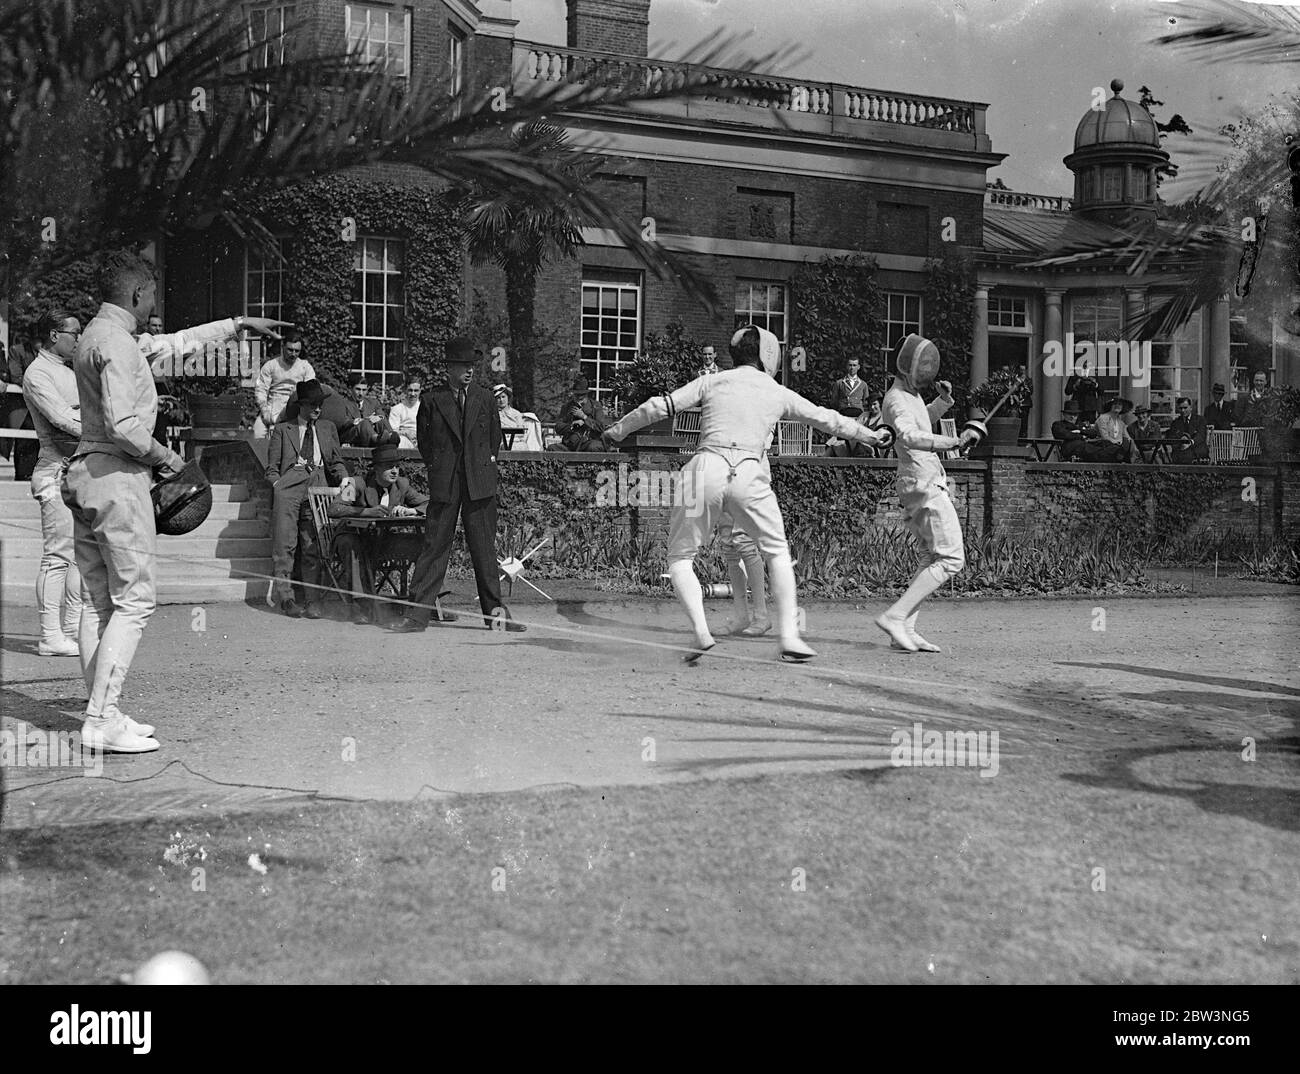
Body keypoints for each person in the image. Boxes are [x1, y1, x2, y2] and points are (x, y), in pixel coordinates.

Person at [62, 252, 284, 752]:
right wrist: (170, 460)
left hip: (86, 474)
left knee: (102, 603)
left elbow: (173, 344)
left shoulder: (98, 336)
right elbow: (123, 426)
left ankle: (104, 710)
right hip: (117, 477)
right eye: (153, 296)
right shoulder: (117, 343)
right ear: (138, 294)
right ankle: (100, 718)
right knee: (135, 600)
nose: (154, 305)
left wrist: (236, 324)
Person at [602, 324, 887, 663]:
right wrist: (872, 436)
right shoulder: (777, 391)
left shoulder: (713, 380)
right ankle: (789, 637)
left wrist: (616, 431)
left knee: (680, 557)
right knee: (777, 552)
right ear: (768, 354)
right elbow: (829, 420)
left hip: (705, 466)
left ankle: (701, 633)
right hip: (750, 471)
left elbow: (656, 407)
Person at [390, 337, 525, 634]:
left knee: (484, 551)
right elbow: (425, 444)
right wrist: (439, 468)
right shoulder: (431, 400)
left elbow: (493, 439)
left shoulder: (485, 398)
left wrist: (481, 468)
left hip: (480, 484)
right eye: (463, 366)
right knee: (434, 548)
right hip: (445, 483)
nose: (469, 371)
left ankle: (497, 616)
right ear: (449, 368)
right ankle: (417, 616)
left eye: (472, 366)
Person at [875, 334, 980, 654]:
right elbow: (908, 435)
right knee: (951, 558)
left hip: (923, 481)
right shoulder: (895, 399)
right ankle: (895, 616)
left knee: (930, 557)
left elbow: (922, 421)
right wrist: (953, 442)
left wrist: (943, 403)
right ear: (906, 366)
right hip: (922, 485)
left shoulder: (911, 395)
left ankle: (904, 628)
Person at [21, 310, 84, 656]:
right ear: (53, 334)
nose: (78, 339)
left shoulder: (66, 371)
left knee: (77, 555)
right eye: (73, 333)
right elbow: (61, 418)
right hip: (54, 470)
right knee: (57, 556)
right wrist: (100, 426)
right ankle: (49, 634)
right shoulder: (37, 372)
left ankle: (71, 628)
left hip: (78, 468)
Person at [265, 380, 348, 618]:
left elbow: (335, 461)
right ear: (301, 404)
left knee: (313, 545)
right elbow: (271, 468)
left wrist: (344, 478)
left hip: (317, 485)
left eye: (320, 404)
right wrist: (279, 485)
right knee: (285, 545)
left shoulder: (327, 427)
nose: (317, 409)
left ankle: (313, 600)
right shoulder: (283, 429)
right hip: (290, 488)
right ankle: (287, 599)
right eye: (312, 404)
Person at [329, 443, 428, 625]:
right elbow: (334, 508)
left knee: (422, 543)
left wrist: (411, 511)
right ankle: (361, 606)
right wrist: (366, 512)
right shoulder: (357, 484)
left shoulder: (402, 485)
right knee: (352, 545)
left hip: (381, 540)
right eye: (389, 467)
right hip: (353, 536)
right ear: (376, 469)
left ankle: (423, 603)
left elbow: (430, 503)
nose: (394, 471)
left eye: (397, 466)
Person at [253, 329, 316, 437]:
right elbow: (261, 389)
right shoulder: (271, 365)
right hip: (273, 406)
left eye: (297, 351)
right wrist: (264, 410)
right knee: (257, 430)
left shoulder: (305, 367)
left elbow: (311, 391)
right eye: (290, 350)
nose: (293, 354)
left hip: (295, 408)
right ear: (283, 347)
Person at [1051, 400, 1123, 462]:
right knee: (1091, 449)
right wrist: (1081, 435)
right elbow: (1065, 434)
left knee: (1105, 443)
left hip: (1084, 446)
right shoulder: (1058, 424)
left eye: (1075, 414)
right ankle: (1117, 455)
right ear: (1064, 414)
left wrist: (1079, 431)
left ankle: (1119, 451)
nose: (1073, 417)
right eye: (1070, 414)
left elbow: (1093, 433)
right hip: (1071, 448)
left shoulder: (1080, 425)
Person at [553, 375, 610, 452]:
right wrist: (571, 425)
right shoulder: (567, 407)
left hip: (588, 442)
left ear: (586, 395)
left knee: (594, 447)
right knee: (552, 448)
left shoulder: (596, 406)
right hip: (570, 445)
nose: (579, 398)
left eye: (581, 396)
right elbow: (558, 427)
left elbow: (601, 427)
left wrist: (584, 417)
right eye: (576, 395)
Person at [1094, 395, 1140, 463]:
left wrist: (1134, 446)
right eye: (1115, 404)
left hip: (1119, 449)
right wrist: (1118, 442)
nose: (1117, 406)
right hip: (1104, 447)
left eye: (1120, 404)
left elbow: (1127, 437)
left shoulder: (1121, 422)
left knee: (1130, 446)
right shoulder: (1103, 418)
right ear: (1110, 406)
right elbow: (1105, 437)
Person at [1167, 397, 1209, 463]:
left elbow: (1201, 436)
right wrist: (1181, 443)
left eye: (1185, 408)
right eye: (1180, 408)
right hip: (1180, 450)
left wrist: (1190, 442)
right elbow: (1172, 437)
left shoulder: (1200, 420)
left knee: (1189, 455)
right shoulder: (1175, 423)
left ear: (1191, 407)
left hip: (1196, 448)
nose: (1183, 410)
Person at [388, 375, 422, 449]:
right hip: (404, 439)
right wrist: (406, 432)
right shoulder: (397, 409)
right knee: (401, 442)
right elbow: (392, 432)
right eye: (410, 390)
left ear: (420, 391)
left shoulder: (424, 408)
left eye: (416, 390)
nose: (413, 394)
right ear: (405, 390)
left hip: (421, 439)